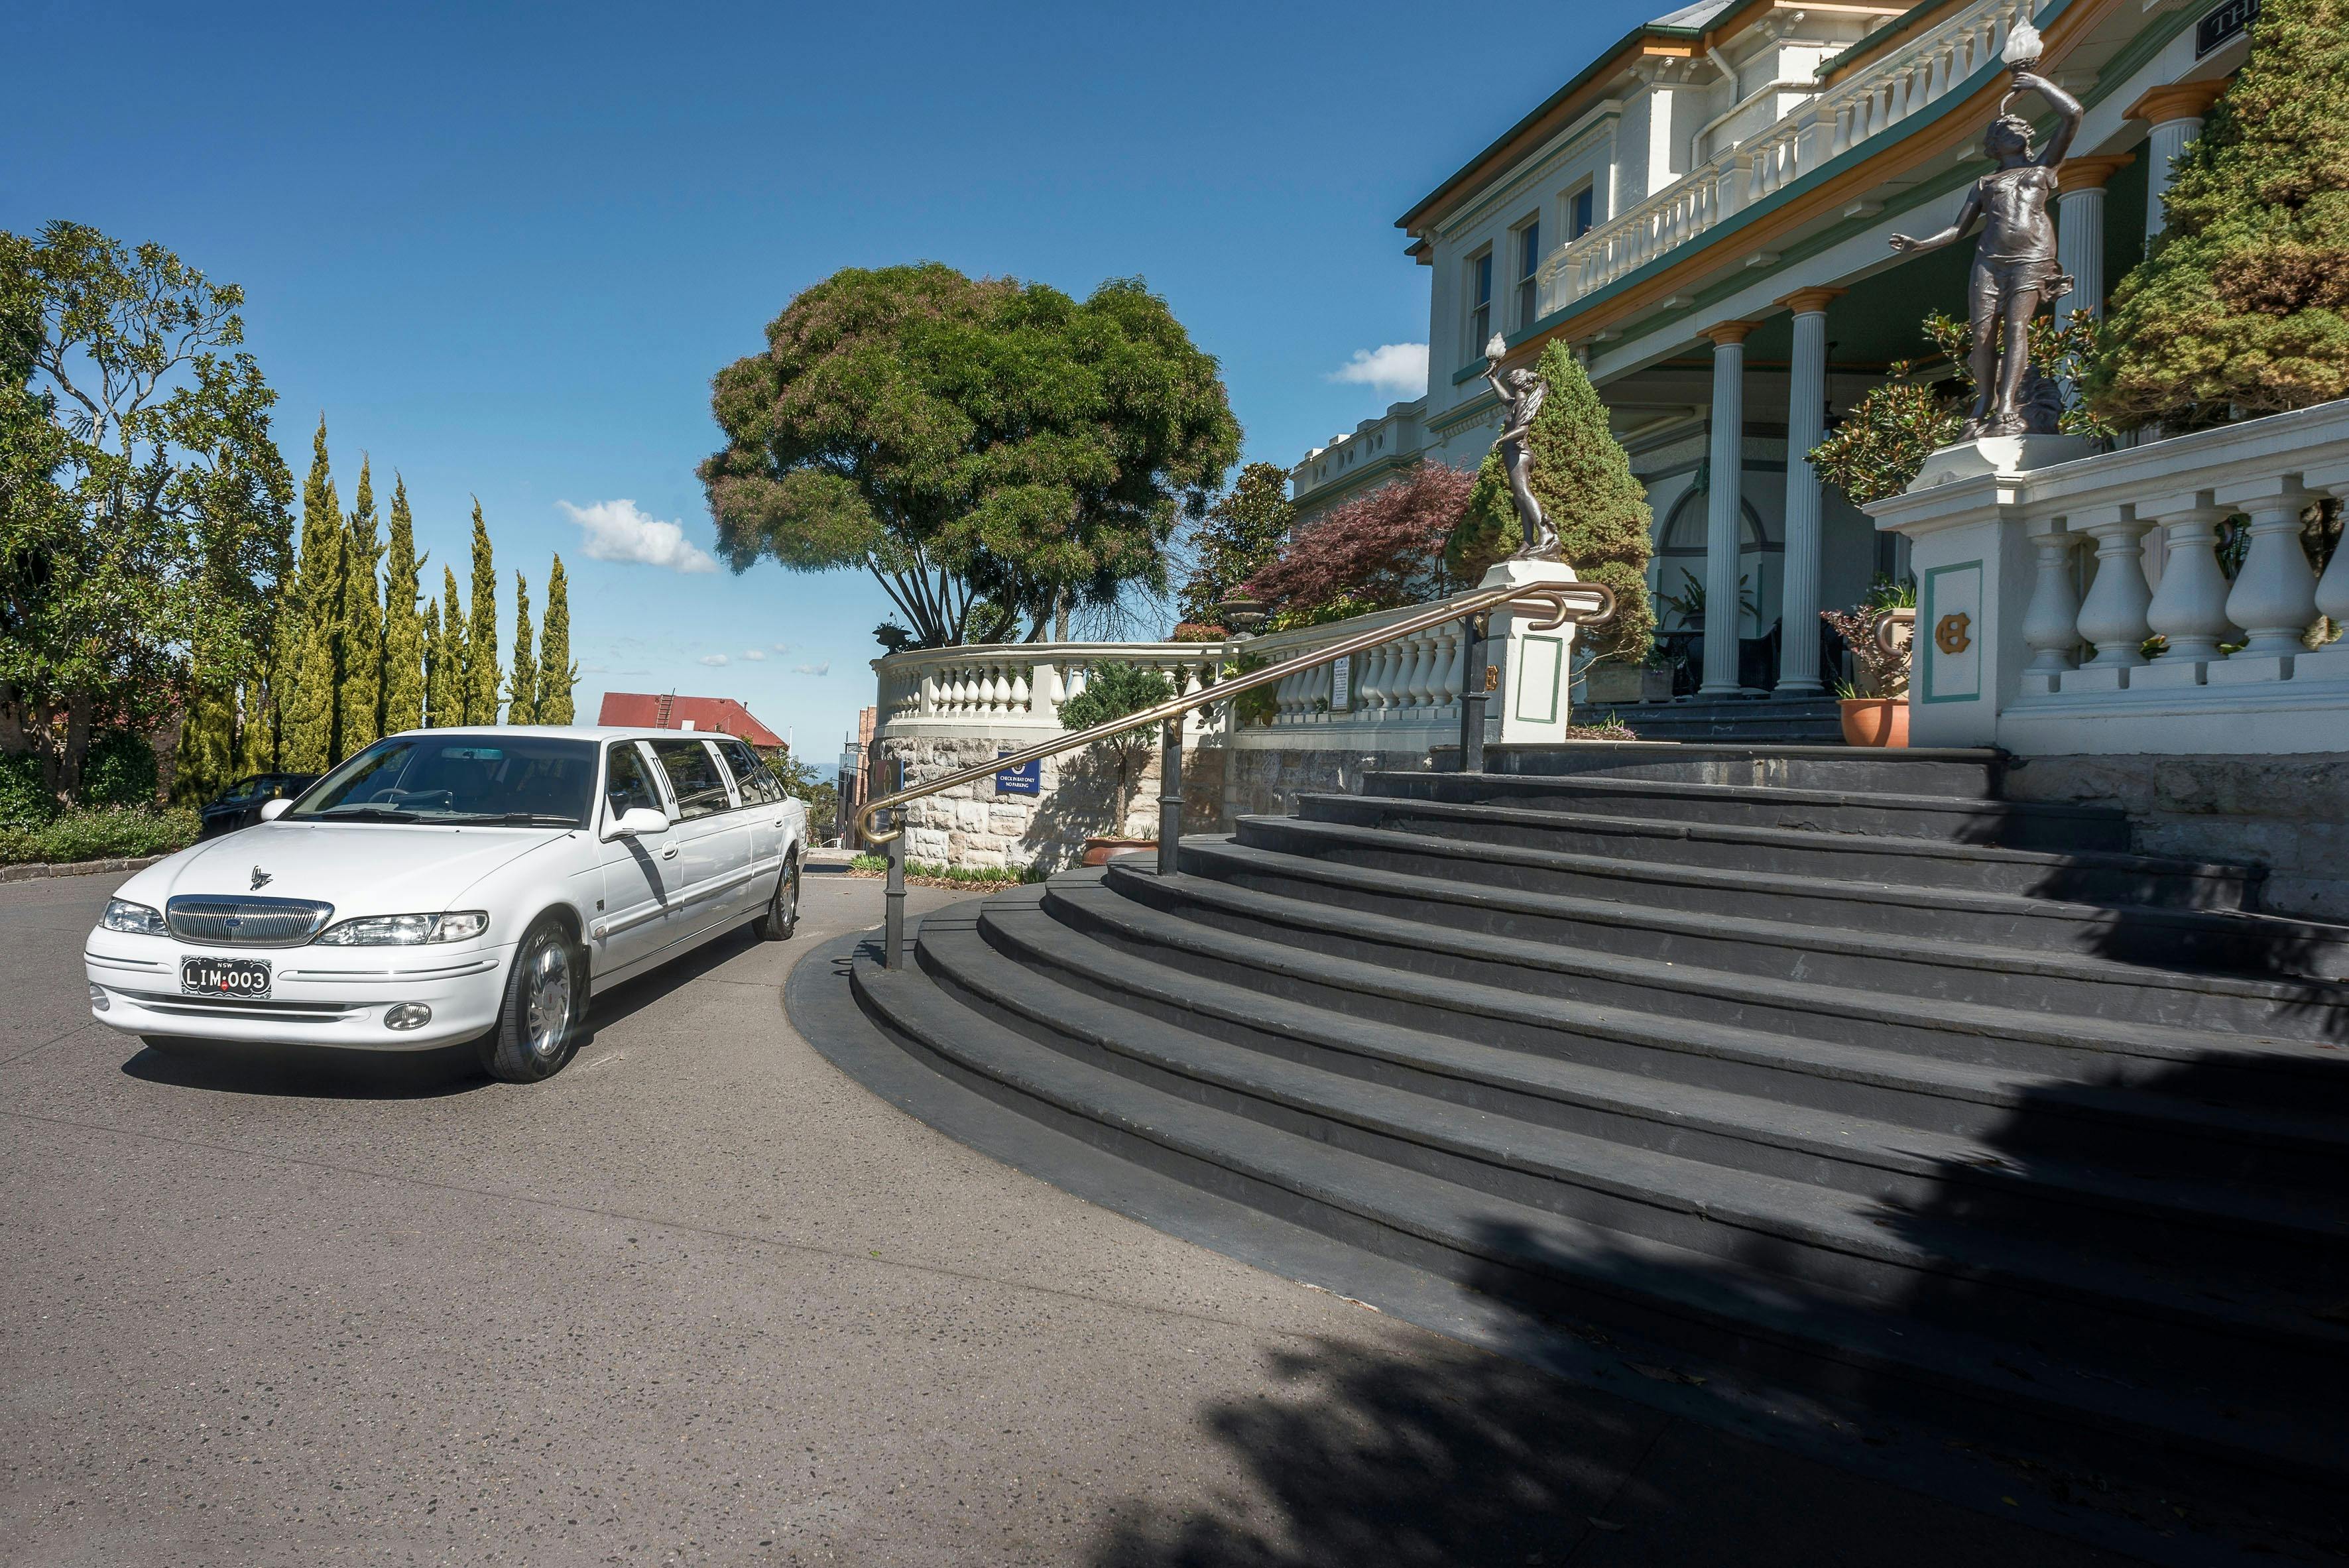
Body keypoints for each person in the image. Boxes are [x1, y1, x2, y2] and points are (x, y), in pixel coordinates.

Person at [1887, 70, 2082, 438]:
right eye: (2006, 129)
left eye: (2021, 127)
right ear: (1994, 145)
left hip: (2032, 257)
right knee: (1981, 336)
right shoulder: (1985, 184)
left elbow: (2073, 114)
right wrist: (1919, 244)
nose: (2018, 129)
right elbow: (1958, 230)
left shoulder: (2043, 169)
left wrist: (2039, 85)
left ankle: (2007, 405)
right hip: (1989, 262)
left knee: (2015, 329)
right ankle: (1983, 402)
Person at [1480, 335, 1559, 558]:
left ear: (1519, 382)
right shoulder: (1516, 402)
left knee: (1523, 492)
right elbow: (1504, 398)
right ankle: (1527, 540)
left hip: (1519, 452)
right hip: (1513, 453)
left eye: (1512, 378)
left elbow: (1523, 429)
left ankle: (1545, 534)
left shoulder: (1523, 404)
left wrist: (1502, 440)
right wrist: (1492, 377)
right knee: (1519, 496)